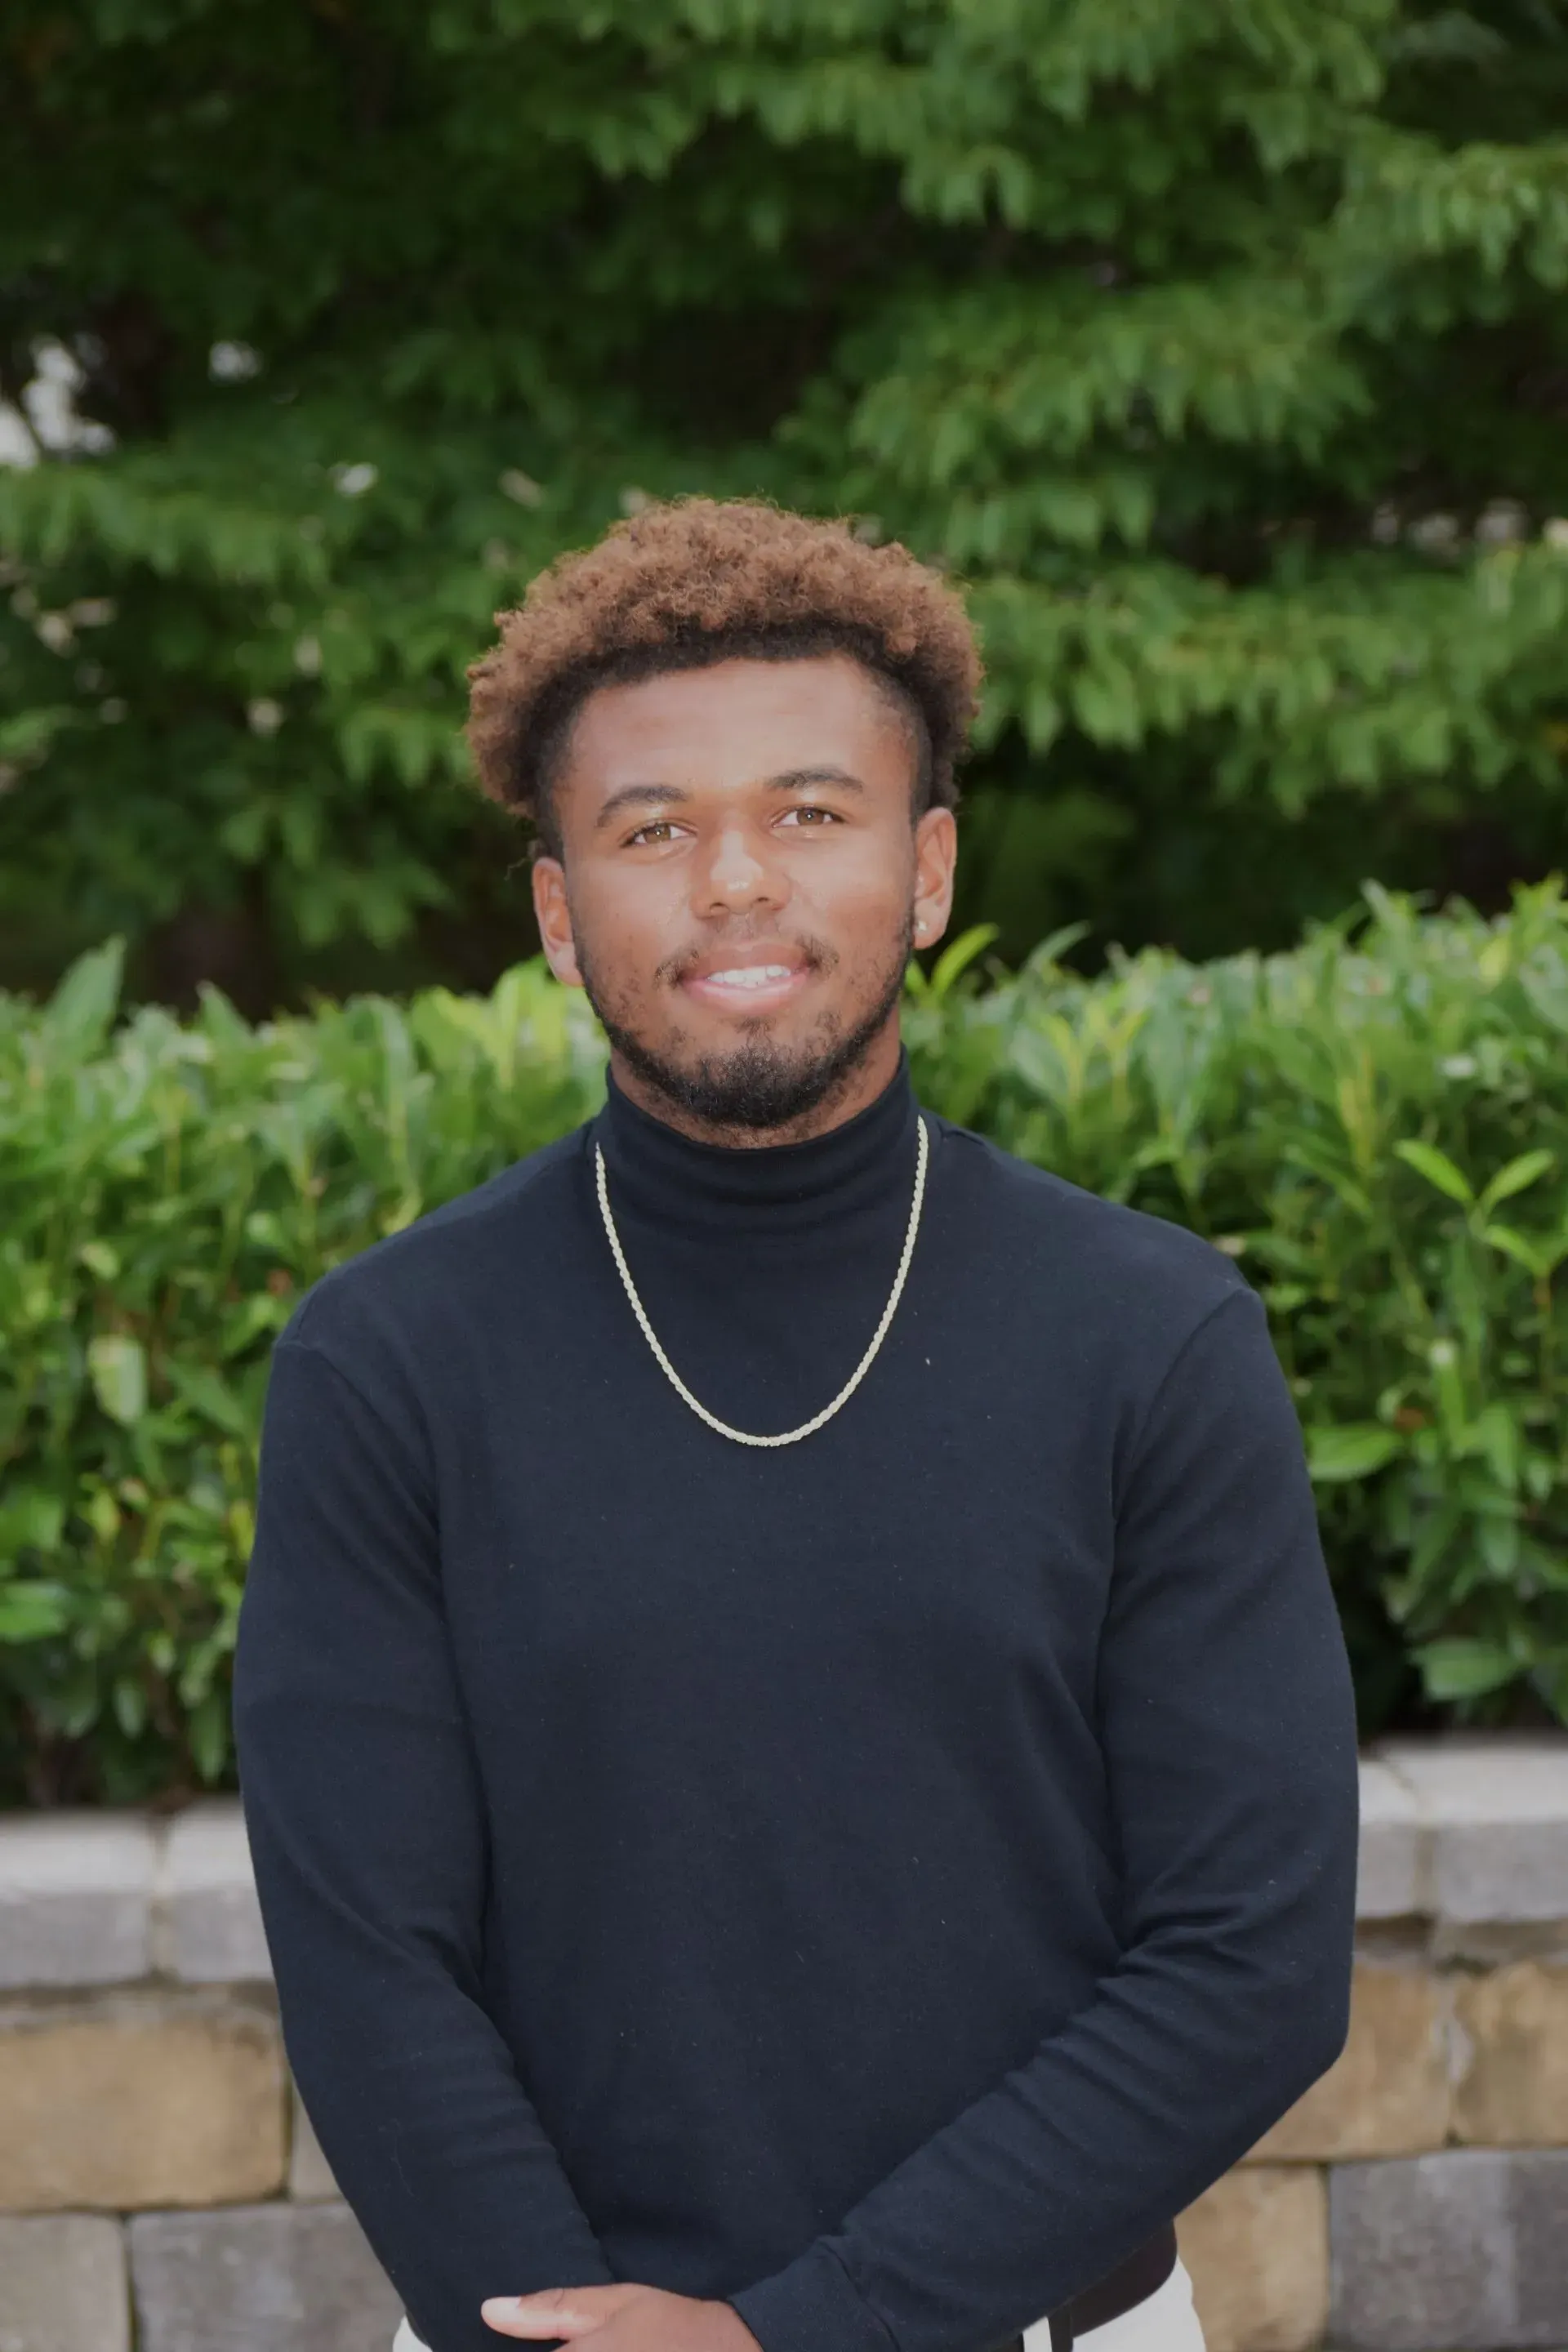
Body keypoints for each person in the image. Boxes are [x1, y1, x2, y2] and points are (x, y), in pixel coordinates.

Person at [232, 498, 1360, 2352]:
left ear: (927, 873)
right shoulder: (390, 1366)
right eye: (653, 829)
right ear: (556, 913)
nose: (736, 881)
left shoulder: (1152, 1338)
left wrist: (804, 2331)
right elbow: (369, 1961)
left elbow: (1253, 1960)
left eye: (811, 813)